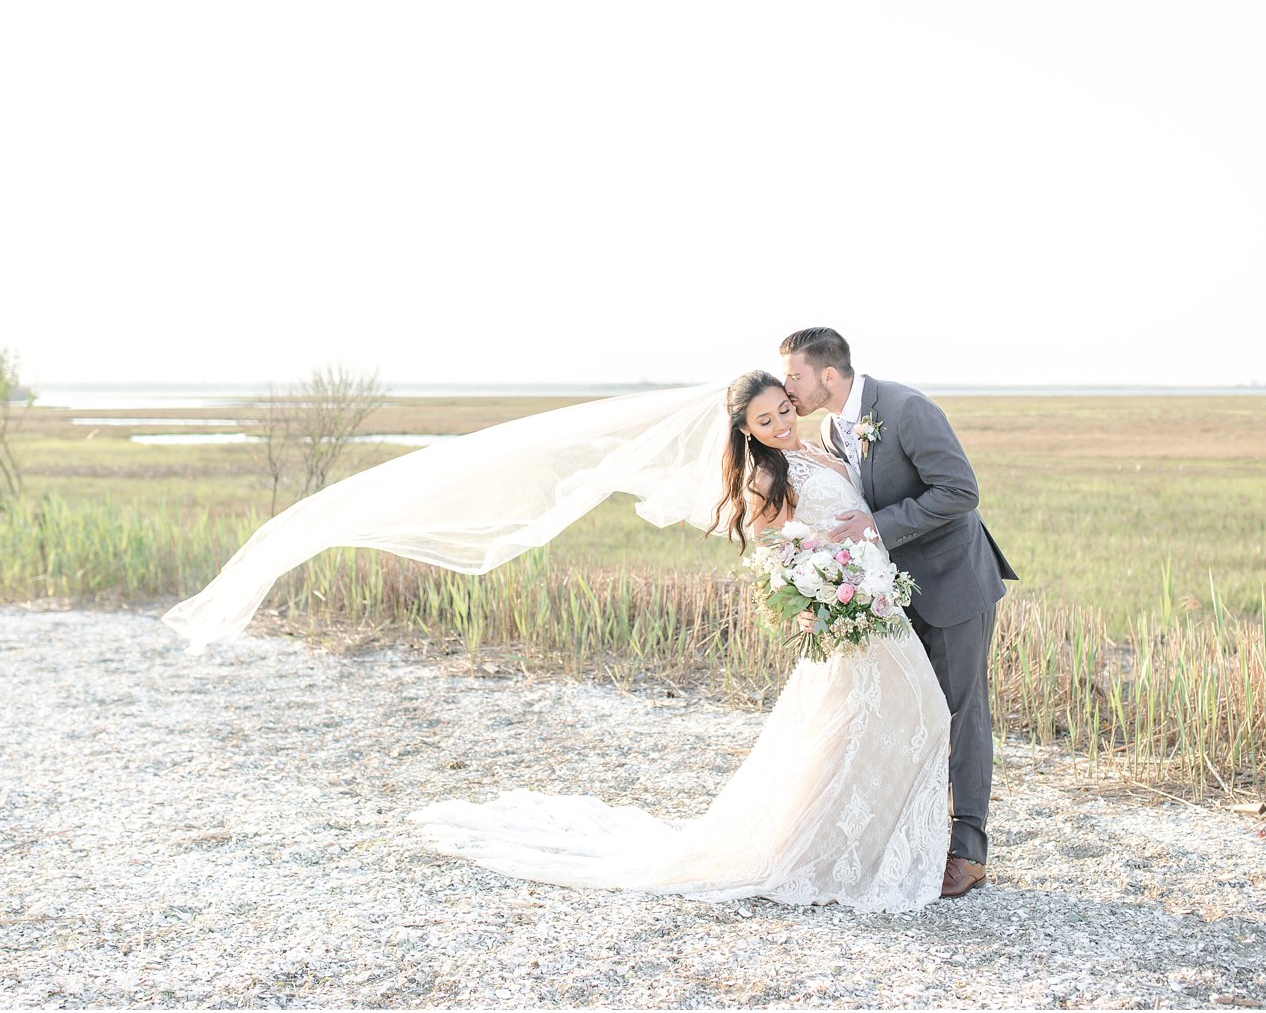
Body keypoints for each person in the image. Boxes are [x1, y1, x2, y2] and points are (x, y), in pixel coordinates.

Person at [410, 371, 951, 912]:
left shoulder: (816, 445)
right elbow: (781, 558)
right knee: (882, 718)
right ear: (745, 431)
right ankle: (815, 848)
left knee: (875, 721)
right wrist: (826, 591)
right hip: (847, 612)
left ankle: (857, 842)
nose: (781, 425)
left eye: (784, 410)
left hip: (876, 602)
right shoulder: (768, 477)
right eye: (764, 421)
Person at [778, 327, 1016, 898]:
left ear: (828, 375)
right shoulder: (833, 426)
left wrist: (879, 527)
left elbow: (960, 490)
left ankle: (968, 852)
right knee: (916, 712)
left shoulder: (907, 409)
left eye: (794, 375)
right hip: (897, 591)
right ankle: (923, 837)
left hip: (955, 583)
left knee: (962, 713)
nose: (787, 387)